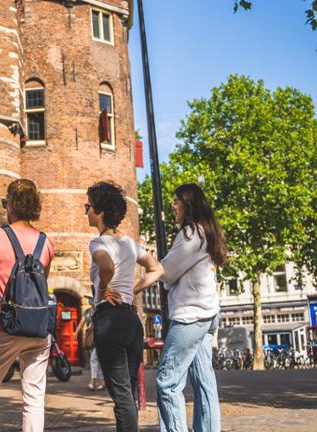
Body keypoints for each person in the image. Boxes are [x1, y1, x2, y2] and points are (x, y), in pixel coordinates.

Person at [0, 179, 55, 432]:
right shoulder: (46, 242)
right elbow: (41, 281)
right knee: (34, 397)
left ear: (11, 205)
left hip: (4, 325)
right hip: (38, 328)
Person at [87, 181, 162, 432]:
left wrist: (102, 290)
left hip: (110, 320)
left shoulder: (98, 243)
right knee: (128, 393)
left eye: (88, 206)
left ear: (99, 211)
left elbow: (106, 266)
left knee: (121, 397)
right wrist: (134, 290)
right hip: (131, 321)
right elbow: (156, 269)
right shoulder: (129, 243)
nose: (86, 211)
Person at [155, 183, 228, 432]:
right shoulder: (208, 232)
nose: (173, 205)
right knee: (203, 378)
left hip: (190, 315)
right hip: (208, 313)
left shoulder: (190, 233)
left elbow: (166, 271)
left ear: (188, 204)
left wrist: (146, 264)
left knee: (167, 381)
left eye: (176, 200)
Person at [77, 297, 104, 390]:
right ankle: (102, 382)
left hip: (100, 336)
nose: (90, 301)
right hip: (91, 338)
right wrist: (76, 332)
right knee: (97, 360)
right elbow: (82, 322)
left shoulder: (100, 310)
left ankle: (93, 381)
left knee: (93, 359)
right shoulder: (88, 311)